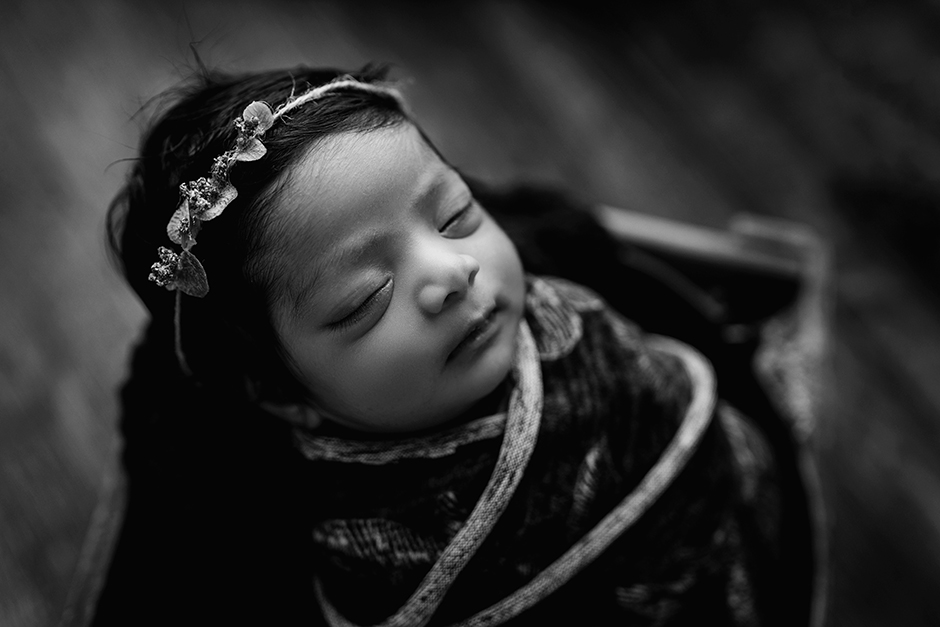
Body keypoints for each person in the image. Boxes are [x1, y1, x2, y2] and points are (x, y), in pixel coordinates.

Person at [95, 64, 813, 626]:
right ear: (278, 388)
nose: (451, 272)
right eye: (365, 300)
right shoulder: (365, 542)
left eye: (457, 212)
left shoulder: (552, 279)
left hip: (747, 515)